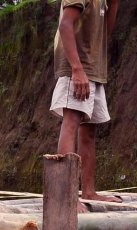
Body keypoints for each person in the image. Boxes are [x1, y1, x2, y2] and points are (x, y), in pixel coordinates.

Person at [52, 0, 120, 202]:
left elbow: (104, 34)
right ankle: (66, 196)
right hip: (78, 68)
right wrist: (77, 69)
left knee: (89, 131)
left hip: (94, 70)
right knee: (71, 122)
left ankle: (89, 191)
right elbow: (65, 24)